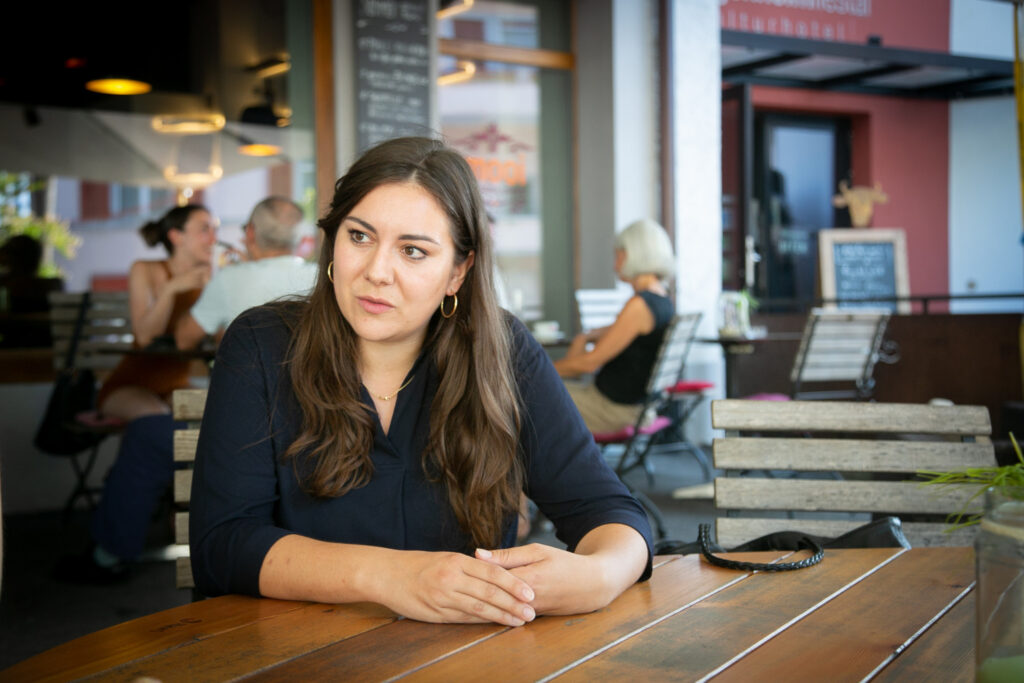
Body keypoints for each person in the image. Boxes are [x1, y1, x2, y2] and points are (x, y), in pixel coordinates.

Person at [190, 137, 652, 626]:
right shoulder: (261, 345)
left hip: (466, 655)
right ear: (332, 241)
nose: (376, 272)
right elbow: (222, 545)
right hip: (292, 650)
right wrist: (392, 576)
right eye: (359, 237)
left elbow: (608, 510)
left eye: (412, 251)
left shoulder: (502, 350)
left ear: (458, 272)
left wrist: (600, 575)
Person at [553, 219, 675, 433]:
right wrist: (585, 337)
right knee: (541, 392)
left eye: (618, 256)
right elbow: (612, 335)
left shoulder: (639, 306)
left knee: (528, 395)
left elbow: (590, 363)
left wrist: (537, 371)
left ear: (635, 255)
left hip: (612, 410)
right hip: (633, 407)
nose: (615, 265)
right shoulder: (662, 300)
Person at [95, 204, 216, 422]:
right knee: (159, 421)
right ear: (176, 236)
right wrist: (170, 289)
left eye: (215, 230)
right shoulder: (144, 269)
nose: (214, 239)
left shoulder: (209, 280)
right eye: (204, 229)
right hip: (129, 387)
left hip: (175, 388)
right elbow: (145, 338)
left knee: (218, 415)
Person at [174, 196, 316, 349]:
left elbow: (184, 340)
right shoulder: (322, 276)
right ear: (300, 238)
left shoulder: (229, 279)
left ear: (250, 232)